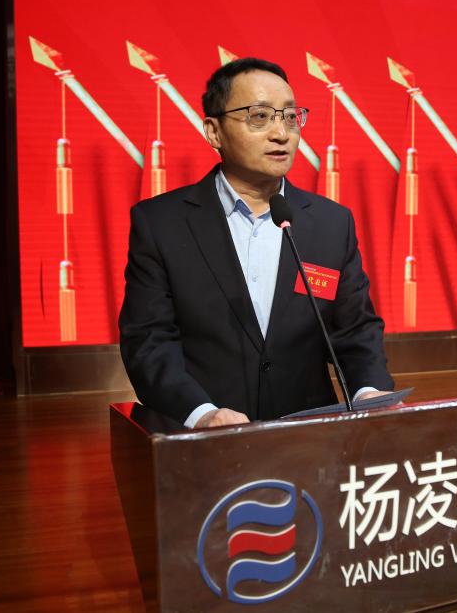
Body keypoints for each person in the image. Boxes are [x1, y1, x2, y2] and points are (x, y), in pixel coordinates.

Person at [119, 57, 393, 428]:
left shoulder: (331, 223)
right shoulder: (161, 223)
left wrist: (369, 392)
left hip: (309, 437)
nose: (281, 133)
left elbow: (355, 330)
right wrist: (202, 414)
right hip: (204, 441)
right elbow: (148, 341)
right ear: (214, 132)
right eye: (260, 117)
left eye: (290, 117)